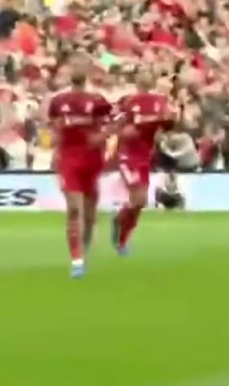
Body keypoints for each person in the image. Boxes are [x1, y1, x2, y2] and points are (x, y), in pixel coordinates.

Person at [46, 62, 115, 278]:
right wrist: (54, 146)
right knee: (74, 209)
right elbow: (53, 125)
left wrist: (101, 137)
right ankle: (76, 259)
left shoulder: (97, 100)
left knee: (90, 212)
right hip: (68, 158)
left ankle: (83, 250)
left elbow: (116, 121)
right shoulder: (58, 101)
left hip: (92, 158)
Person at [108, 70, 175, 255]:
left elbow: (166, 124)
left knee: (140, 203)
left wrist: (162, 129)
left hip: (144, 157)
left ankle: (122, 236)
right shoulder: (128, 101)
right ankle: (119, 227)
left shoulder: (159, 102)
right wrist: (124, 131)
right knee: (138, 198)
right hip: (128, 156)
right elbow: (115, 125)